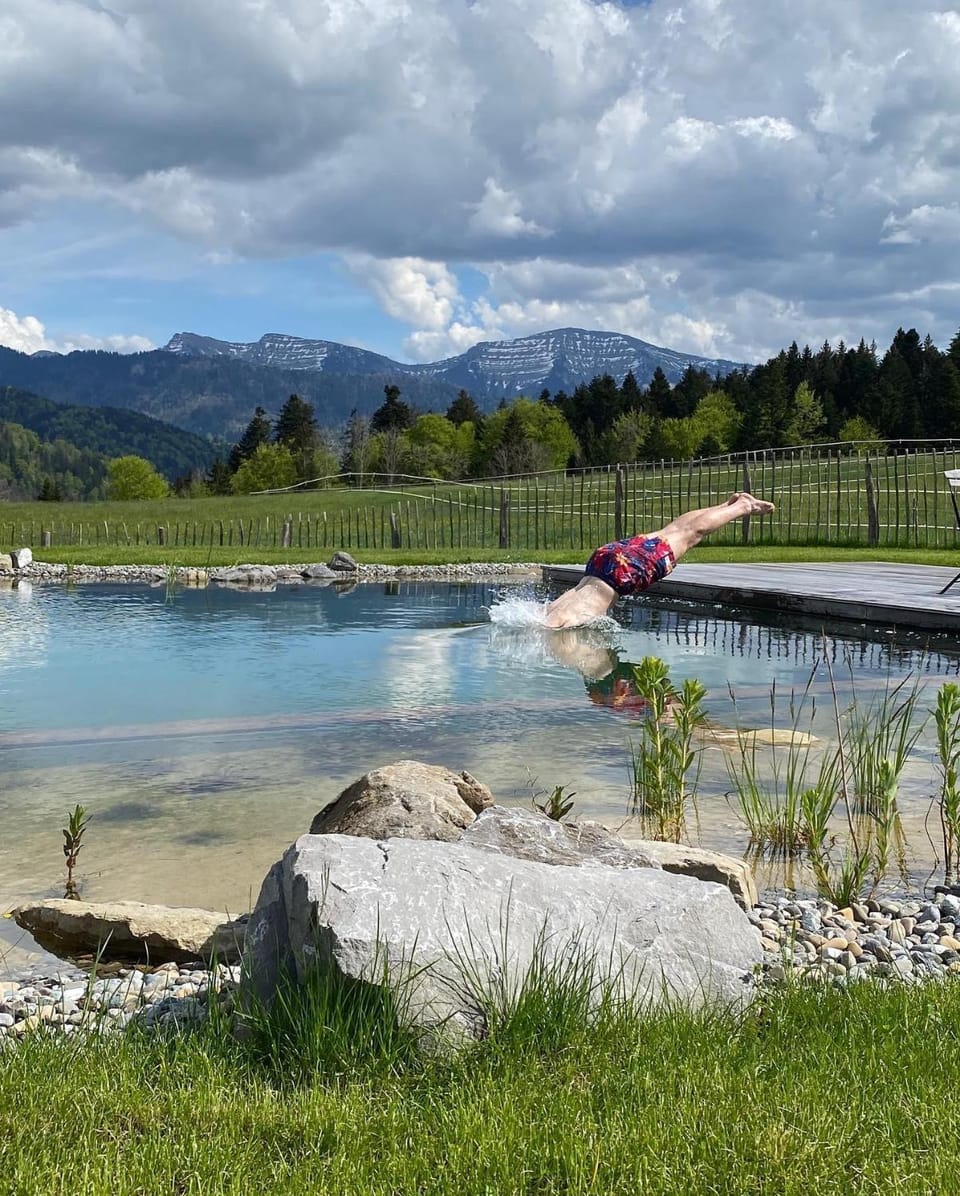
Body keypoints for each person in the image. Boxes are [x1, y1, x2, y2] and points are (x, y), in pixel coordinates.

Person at [543, 492, 775, 629]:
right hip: (602, 562)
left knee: (688, 535)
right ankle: (729, 505)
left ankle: (743, 506)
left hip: (622, 576)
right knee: (675, 529)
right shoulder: (550, 612)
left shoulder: (561, 620)